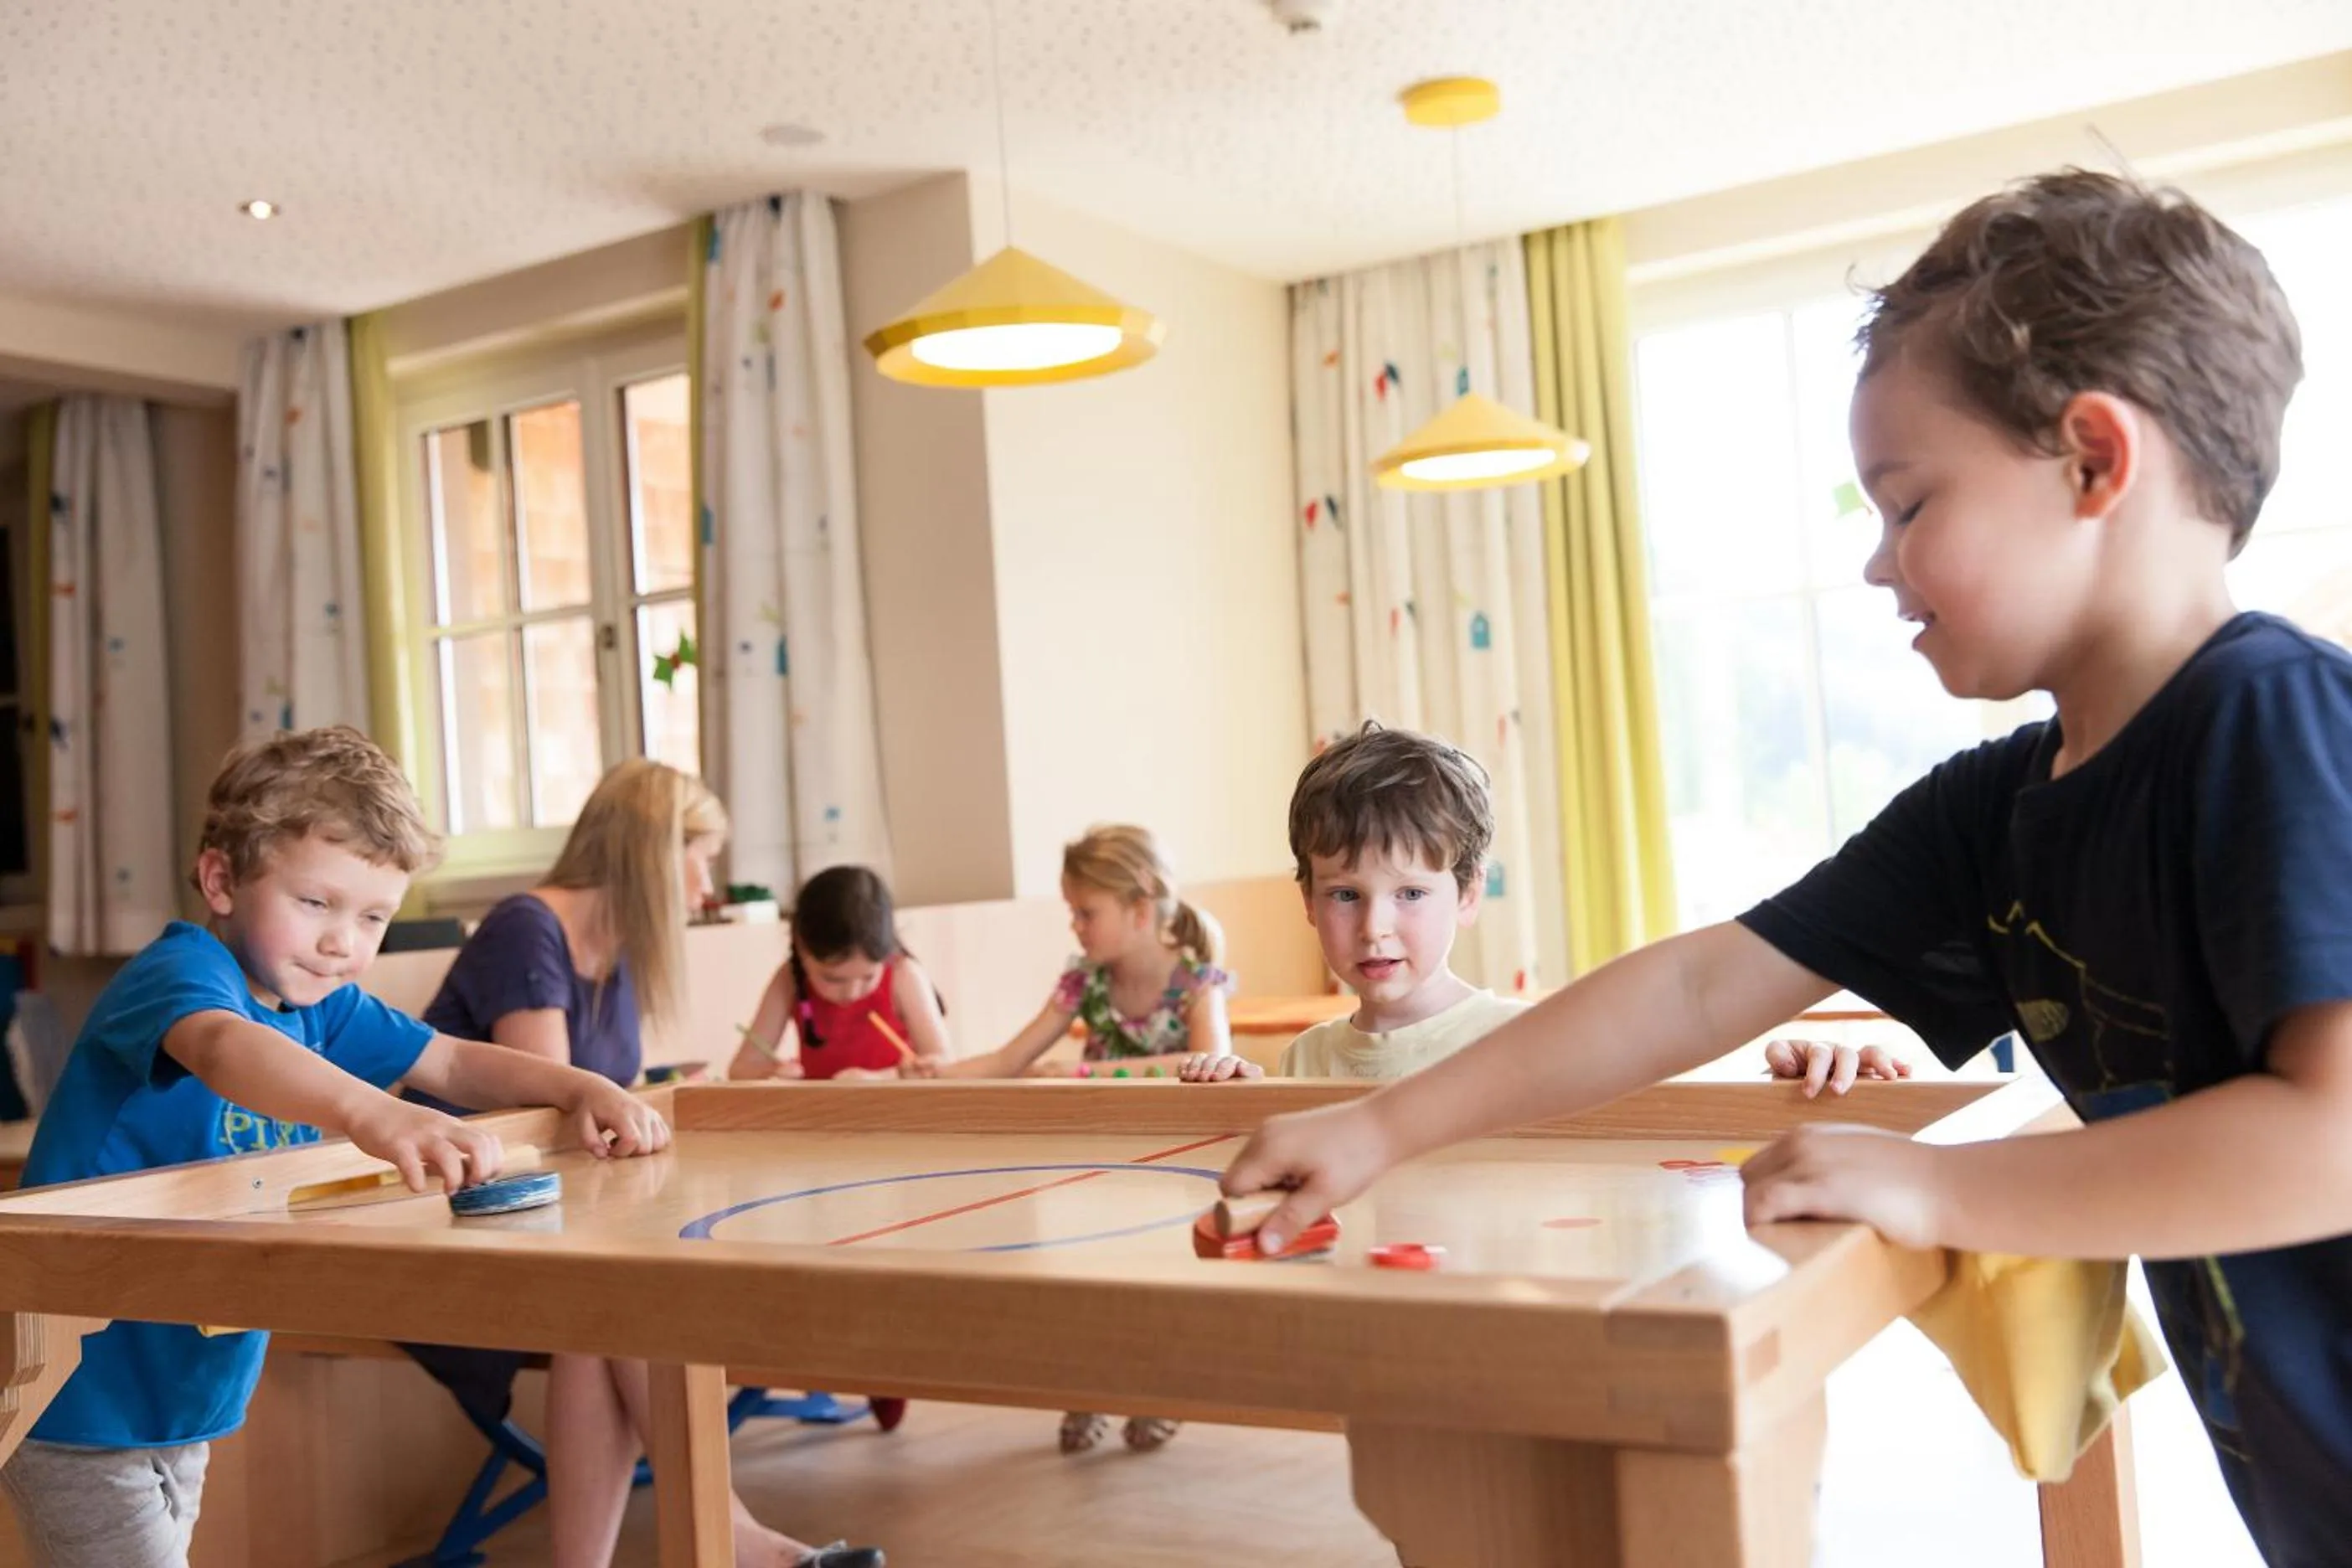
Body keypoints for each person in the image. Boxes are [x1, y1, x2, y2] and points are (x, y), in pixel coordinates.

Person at [1221, 171, 2344, 1568]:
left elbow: (2330, 1137)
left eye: (1906, 502)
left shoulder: (2270, 718)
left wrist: (1937, 1189)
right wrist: (1382, 1127)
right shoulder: (1992, 808)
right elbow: (1700, 983)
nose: (1876, 564)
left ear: (2091, 462)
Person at [0, 727, 664, 1568]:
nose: (342, 941)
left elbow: (451, 1060)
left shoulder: (322, 1004)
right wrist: (371, 1115)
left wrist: (580, 1088)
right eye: (315, 903)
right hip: (79, 1391)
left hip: (183, 1388)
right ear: (221, 881)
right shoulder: (183, 975)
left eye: (374, 916)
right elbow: (221, 1047)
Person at [409, 761, 881, 1568]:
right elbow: (552, 1121)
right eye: (699, 858)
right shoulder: (528, 931)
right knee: (626, 1297)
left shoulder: (611, 949)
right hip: (449, 1220)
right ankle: (737, 1542)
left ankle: (681, 1550)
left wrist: (664, 1094)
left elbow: (602, 1103)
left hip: (544, 1221)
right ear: (652, 853)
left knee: (604, 1317)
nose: (705, 886)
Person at [1179, 723, 1905, 1092]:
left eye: (1409, 893)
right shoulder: (1306, 1059)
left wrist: (1793, 1074)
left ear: (1467, 894)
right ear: (1306, 901)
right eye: (1345, 895)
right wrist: (1241, 1104)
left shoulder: (1528, 1040)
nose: (1375, 926)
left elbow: (1662, 1105)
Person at [727, 866, 947, 1081]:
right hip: (823, 1113)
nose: (852, 993)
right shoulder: (791, 979)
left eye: (868, 977)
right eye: (832, 978)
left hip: (897, 1111)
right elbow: (740, 1070)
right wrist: (772, 1073)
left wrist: (882, 1078)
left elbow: (944, 1066)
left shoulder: (903, 974)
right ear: (802, 950)